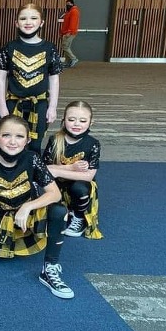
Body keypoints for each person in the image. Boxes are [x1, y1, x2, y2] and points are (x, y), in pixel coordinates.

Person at [0, 115, 73, 299]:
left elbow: (55, 194)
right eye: (6, 135)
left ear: (27, 140)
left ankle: (49, 268)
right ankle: (1, 239)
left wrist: (27, 207)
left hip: (28, 212)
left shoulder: (32, 158)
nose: (12, 141)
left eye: (19, 136)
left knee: (59, 210)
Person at [0, 3, 63, 152]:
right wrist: (2, 106)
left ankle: (32, 167)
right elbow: (0, 79)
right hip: (13, 103)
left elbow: (54, 79)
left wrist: (52, 107)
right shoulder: (9, 47)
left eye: (33, 18)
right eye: (23, 18)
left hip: (39, 104)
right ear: (16, 23)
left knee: (35, 144)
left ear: (41, 22)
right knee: (11, 142)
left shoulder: (49, 48)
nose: (28, 22)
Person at [43, 100, 102, 239]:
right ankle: (57, 211)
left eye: (82, 121)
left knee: (80, 188)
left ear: (90, 123)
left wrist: (57, 171)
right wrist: (70, 167)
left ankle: (79, 216)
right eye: (71, 120)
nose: (76, 124)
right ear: (64, 121)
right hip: (57, 185)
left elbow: (89, 176)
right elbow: (44, 168)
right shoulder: (55, 140)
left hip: (79, 185)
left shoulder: (93, 144)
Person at [60, 0, 80, 68]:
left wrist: (69, 31)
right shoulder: (69, 11)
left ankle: (73, 58)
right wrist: (62, 32)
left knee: (65, 46)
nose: (67, 5)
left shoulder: (74, 11)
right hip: (67, 32)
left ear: (72, 4)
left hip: (70, 33)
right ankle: (68, 62)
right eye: (66, 4)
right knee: (66, 47)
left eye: (69, 4)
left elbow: (73, 22)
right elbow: (66, 23)